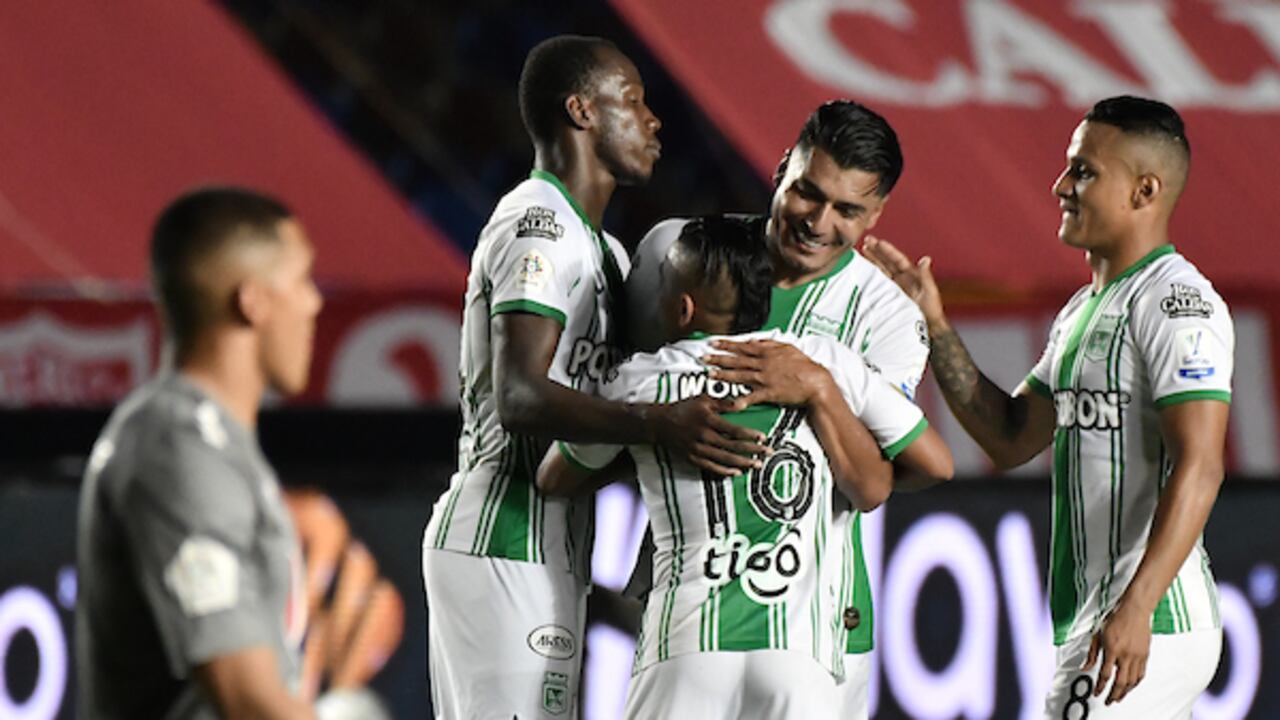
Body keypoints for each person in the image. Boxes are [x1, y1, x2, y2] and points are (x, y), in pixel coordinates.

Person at [421, 35, 767, 719]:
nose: (653, 120)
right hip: (503, 532)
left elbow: (598, 424)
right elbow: (520, 397)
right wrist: (659, 424)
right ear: (581, 111)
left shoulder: (605, 250)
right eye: (632, 102)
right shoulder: (539, 222)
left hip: (556, 543)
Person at [864, 95, 1231, 718]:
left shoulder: (1177, 304)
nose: (1061, 185)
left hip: (1151, 619)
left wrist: (1137, 608)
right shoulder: (1081, 313)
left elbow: (1202, 464)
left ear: (1145, 191)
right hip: (1100, 617)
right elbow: (1009, 436)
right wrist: (933, 325)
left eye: (1084, 171)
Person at [537, 217, 953, 719]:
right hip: (799, 658)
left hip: (683, 648)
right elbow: (936, 462)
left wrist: (647, 437)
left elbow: (554, 476)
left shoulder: (641, 383)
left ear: (680, 306)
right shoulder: (822, 362)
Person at [626, 99, 936, 716]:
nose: (819, 222)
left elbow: (873, 482)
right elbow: (621, 403)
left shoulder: (889, 318)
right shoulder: (685, 257)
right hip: (687, 607)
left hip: (823, 631)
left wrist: (817, 388)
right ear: (779, 171)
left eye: (848, 210)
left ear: (877, 213)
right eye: (807, 194)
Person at [76, 187, 322, 719]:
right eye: (302, 280)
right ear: (251, 300)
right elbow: (246, 698)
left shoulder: (212, 440)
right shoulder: (175, 447)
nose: (314, 302)